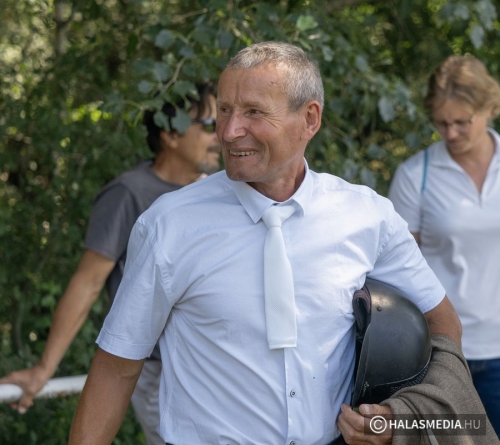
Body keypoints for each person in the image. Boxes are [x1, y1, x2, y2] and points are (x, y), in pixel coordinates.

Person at [68, 41, 464, 445]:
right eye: (224, 110)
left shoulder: (367, 216)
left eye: (253, 112)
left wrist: (396, 420)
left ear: (309, 119)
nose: (228, 131)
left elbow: (442, 323)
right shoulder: (167, 225)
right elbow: (117, 366)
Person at [0, 81, 220, 445]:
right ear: (170, 134)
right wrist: (44, 369)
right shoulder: (129, 193)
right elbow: (88, 283)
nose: (221, 135)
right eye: (209, 124)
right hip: (160, 374)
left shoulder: (216, 192)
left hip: (212, 367)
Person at [389, 55, 500, 437]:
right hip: (445, 354)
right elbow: (397, 272)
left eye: (462, 122)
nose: (450, 133)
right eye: (441, 123)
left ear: (490, 107)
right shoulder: (415, 175)